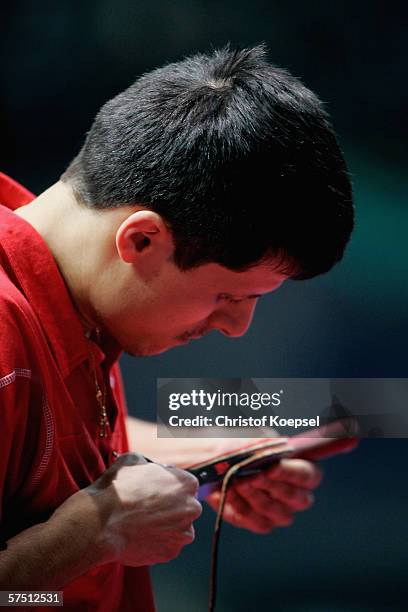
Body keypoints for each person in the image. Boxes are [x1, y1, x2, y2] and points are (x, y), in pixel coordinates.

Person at [0, 45, 353, 610]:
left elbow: (35, 447)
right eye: (229, 297)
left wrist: (202, 455)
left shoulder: (75, 293)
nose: (236, 327)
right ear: (141, 239)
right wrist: (94, 535)